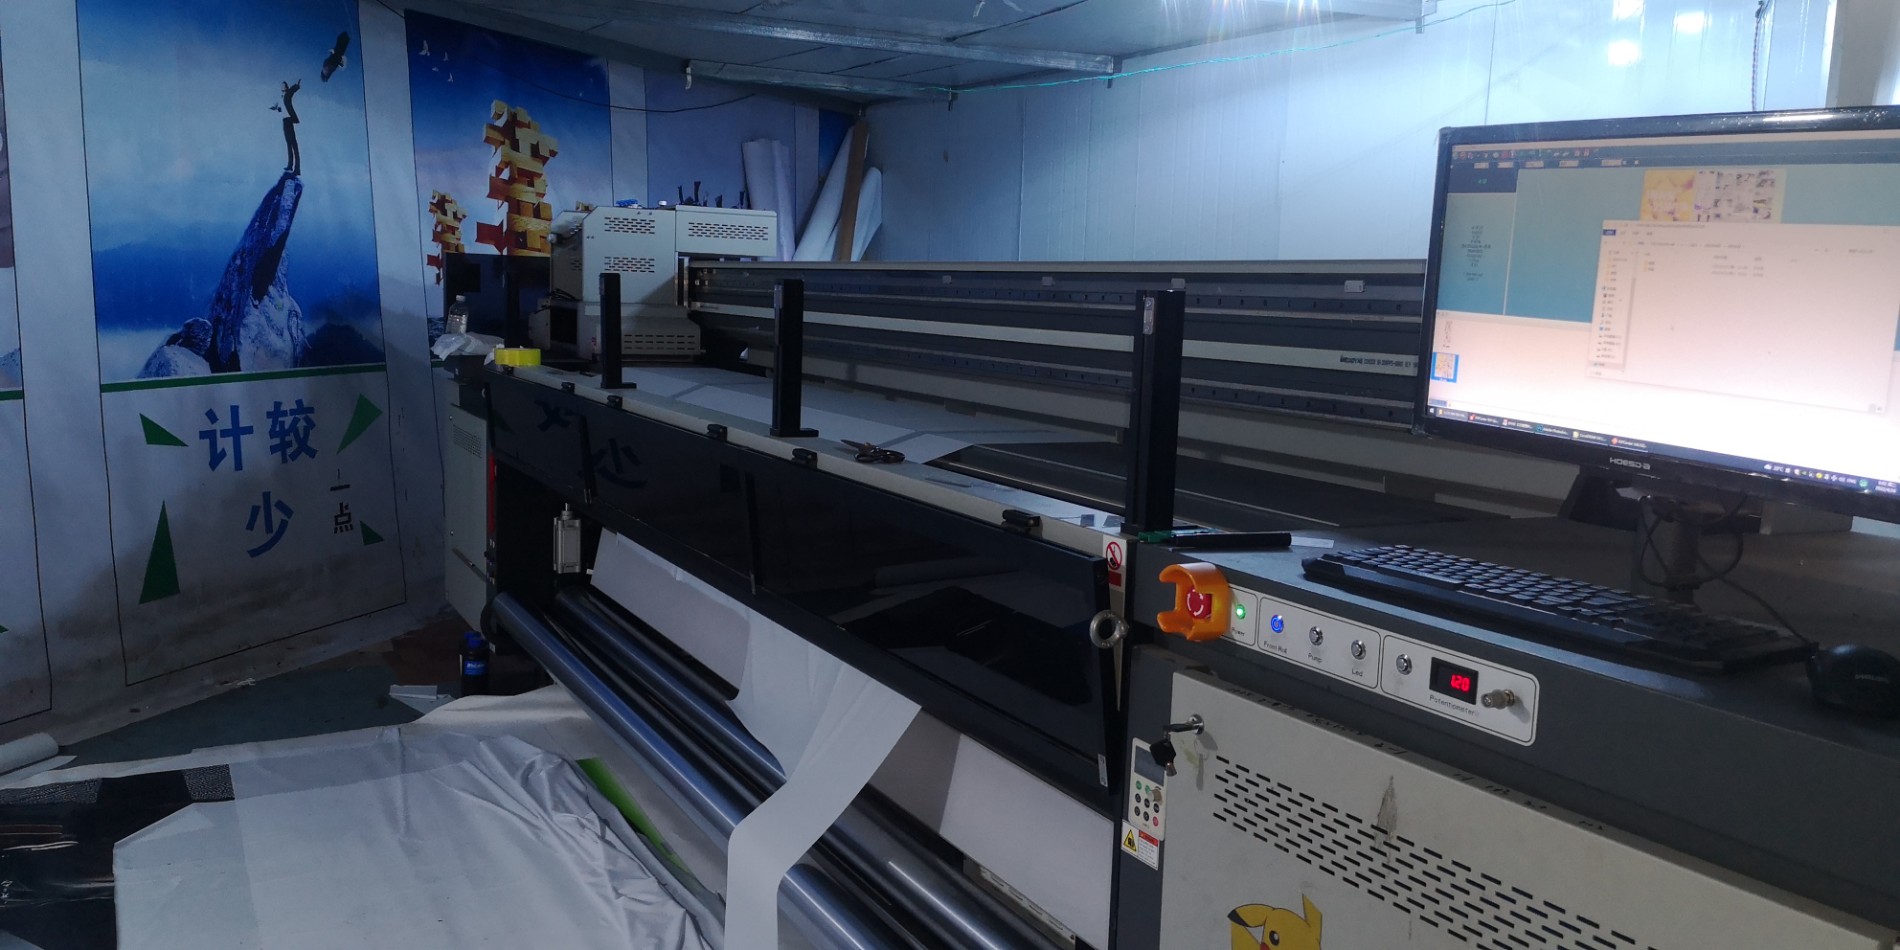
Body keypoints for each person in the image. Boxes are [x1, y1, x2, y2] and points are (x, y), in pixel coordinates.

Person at [280, 79, 302, 176]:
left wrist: (296, 86)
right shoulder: (282, 97)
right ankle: (290, 165)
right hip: (284, 121)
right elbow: (281, 109)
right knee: (289, 145)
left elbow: (292, 91)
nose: (282, 86)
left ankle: (297, 169)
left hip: (289, 120)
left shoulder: (288, 94)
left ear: (286, 86)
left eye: (283, 85)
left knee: (294, 145)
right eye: (281, 85)